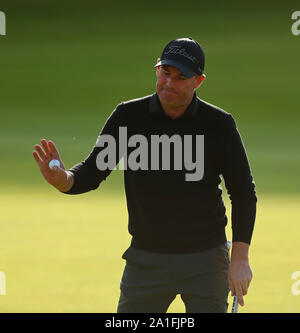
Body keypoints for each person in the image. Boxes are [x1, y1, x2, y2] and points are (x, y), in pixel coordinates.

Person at [32, 37, 257, 313]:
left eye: (180, 77)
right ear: (157, 70)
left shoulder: (219, 124)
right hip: (146, 260)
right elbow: (92, 172)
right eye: (165, 72)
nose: (169, 83)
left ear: (198, 81)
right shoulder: (129, 117)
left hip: (207, 262)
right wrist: (64, 180)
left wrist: (240, 259)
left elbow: (244, 192)